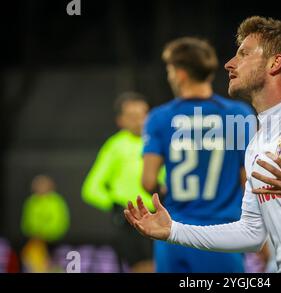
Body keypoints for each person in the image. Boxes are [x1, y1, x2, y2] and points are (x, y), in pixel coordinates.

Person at [125, 16, 281, 273]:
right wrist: (174, 230)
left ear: (275, 63)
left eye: (244, 54)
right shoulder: (258, 141)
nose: (229, 64)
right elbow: (251, 233)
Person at [140, 37, 255, 273]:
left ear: (180, 74)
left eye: (170, 70)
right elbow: (249, 182)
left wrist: (167, 193)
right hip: (223, 236)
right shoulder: (238, 115)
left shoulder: (159, 117)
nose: (169, 76)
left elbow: (148, 181)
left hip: (174, 234)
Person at [82, 92, 166, 272]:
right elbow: (91, 188)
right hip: (132, 221)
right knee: (144, 267)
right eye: (132, 116)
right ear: (120, 120)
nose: (140, 121)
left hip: (160, 216)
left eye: (143, 115)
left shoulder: (158, 141)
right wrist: (115, 207)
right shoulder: (115, 146)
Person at [21, 175, 70, 272]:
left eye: (43, 186)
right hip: (35, 238)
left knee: (53, 260)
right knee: (32, 258)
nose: (41, 189)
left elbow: (59, 220)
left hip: (53, 238)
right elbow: (27, 219)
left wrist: (49, 233)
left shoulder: (56, 202)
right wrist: (33, 232)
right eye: (38, 186)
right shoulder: (32, 202)